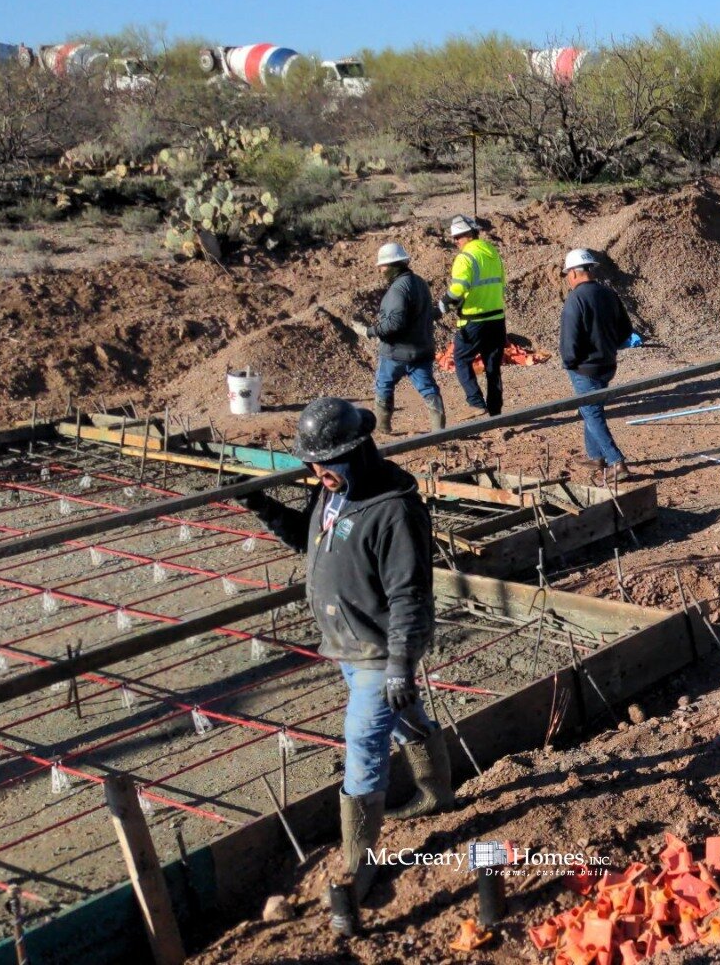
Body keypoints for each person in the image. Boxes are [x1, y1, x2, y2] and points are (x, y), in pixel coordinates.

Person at [241, 397, 453, 935]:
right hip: (348, 642)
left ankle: (359, 860)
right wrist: (263, 506)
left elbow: (410, 595)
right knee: (403, 720)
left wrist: (402, 664)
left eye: (325, 464)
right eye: (312, 465)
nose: (317, 474)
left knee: (362, 738)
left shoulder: (393, 509)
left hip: (381, 649)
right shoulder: (334, 495)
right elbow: (311, 545)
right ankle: (434, 791)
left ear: (358, 452)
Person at [352, 242, 445, 435]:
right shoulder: (419, 283)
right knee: (428, 388)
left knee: (384, 385)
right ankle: (439, 430)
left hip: (396, 353)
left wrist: (369, 331)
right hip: (422, 350)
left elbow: (394, 323)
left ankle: (383, 428)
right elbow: (429, 314)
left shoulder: (397, 289)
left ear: (395, 265)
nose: (380, 270)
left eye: (383, 266)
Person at [559, 248, 634, 481]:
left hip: (584, 368)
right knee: (591, 409)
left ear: (573, 273)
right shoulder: (608, 294)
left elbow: (569, 337)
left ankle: (615, 461)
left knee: (592, 413)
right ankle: (595, 456)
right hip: (607, 363)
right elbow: (625, 330)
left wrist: (570, 362)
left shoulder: (576, 298)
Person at [437, 214, 506, 417]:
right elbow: (500, 281)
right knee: (493, 366)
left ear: (467, 235)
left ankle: (476, 403)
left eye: (457, 238)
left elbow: (458, 288)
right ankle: (495, 411)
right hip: (496, 319)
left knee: (461, 359)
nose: (456, 242)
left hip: (474, 320)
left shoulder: (465, 257)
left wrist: (444, 303)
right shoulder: (492, 251)